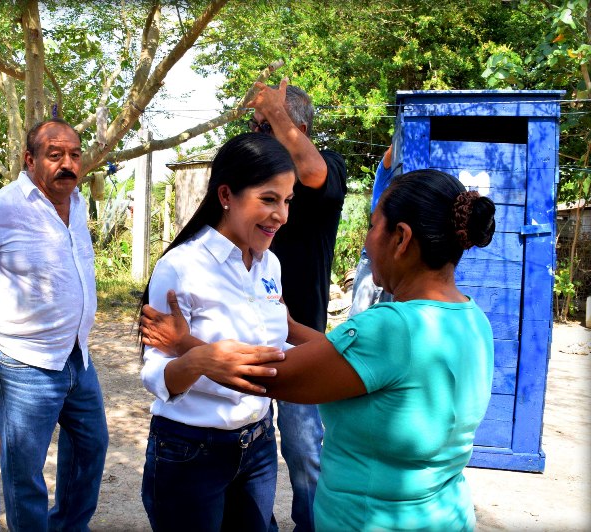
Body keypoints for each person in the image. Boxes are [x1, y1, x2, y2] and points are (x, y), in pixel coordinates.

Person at [143, 169, 497, 531]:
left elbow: (269, 377)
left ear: (401, 238)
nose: (367, 239)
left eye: (374, 226)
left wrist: (186, 344)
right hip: (446, 514)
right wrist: (292, 328)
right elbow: (355, 362)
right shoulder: (471, 319)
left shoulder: (390, 326)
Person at [139, 132, 292, 531]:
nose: (281, 216)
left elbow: (278, 342)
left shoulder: (270, 265)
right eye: (269, 199)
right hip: (191, 449)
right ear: (226, 195)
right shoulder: (180, 267)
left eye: (287, 201)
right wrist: (199, 360)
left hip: (258, 441)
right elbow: (154, 373)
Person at [0, 118, 109, 531]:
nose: (68, 164)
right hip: (23, 364)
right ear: (29, 159)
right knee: (24, 473)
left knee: (92, 447)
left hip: (78, 358)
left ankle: (69, 525)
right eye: (55, 155)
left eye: (73, 154)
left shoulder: (79, 202)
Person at [247, 78, 347, 531]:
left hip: (300, 342)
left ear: (297, 128)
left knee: (305, 451)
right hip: (245, 338)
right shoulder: (248, 184)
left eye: (263, 127)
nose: (256, 137)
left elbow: (312, 175)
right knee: (245, 446)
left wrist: (278, 115)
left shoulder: (327, 171)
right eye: (255, 127)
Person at [349, 144, 397, 316]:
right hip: (372, 259)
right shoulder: (385, 175)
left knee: (386, 318)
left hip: (395, 264)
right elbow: (391, 152)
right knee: (358, 317)